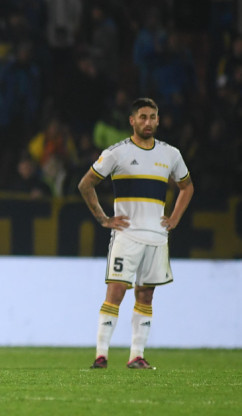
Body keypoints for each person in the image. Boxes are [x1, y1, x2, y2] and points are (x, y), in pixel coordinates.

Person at [77, 98, 193, 370]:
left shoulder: (170, 154)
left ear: (158, 120)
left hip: (157, 237)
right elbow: (86, 184)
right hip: (126, 236)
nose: (148, 122)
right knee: (115, 291)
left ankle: (136, 356)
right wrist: (103, 219)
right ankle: (101, 355)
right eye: (142, 117)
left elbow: (187, 187)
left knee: (145, 296)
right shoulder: (117, 152)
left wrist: (174, 218)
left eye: (153, 117)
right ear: (132, 120)